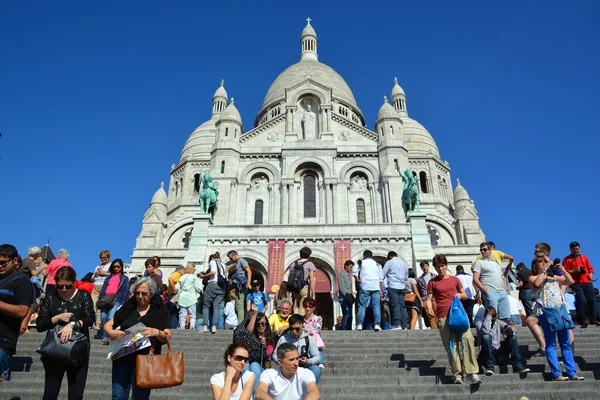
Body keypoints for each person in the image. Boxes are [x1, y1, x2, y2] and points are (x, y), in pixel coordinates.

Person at [104, 277, 171, 399]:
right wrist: (111, 332)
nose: (140, 296)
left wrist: (156, 332)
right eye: (137, 293)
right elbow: (108, 324)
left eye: (144, 293)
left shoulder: (160, 310)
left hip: (146, 360)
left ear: (151, 294)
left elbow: (167, 336)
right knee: (118, 396)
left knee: (141, 397)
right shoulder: (128, 307)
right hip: (122, 357)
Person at [36, 266, 95, 399]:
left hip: (77, 350)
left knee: (76, 394)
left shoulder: (83, 295)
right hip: (54, 350)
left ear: (74, 282)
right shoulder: (51, 298)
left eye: (68, 286)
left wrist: (72, 324)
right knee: (50, 394)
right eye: (60, 286)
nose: (63, 290)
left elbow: (90, 318)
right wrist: (56, 318)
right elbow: (40, 324)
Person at [530, 242, 583, 381]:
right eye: (539, 262)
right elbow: (536, 283)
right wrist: (544, 269)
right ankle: (556, 374)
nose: (543, 263)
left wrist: (563, 270)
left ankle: (572, 373)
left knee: (565, 343)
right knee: (551, 343)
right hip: (546, 312)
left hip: (561, 311)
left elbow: (570, 282)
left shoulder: (554, 276)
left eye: (543, 261)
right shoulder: (534, 277)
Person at [426, 253, 480, 385]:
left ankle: (472, 371)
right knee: (451, 345)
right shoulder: (432, 282)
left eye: (442, 266)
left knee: (467, 339)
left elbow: (465, 295)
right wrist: (429, 309)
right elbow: (428, 299)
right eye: (437, 266)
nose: (440, 269)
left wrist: (458, 295)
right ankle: (457, 374)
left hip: (458, 315)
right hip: (443, 316)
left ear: (446, 265)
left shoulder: (455, 279)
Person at [0, 244, 34, 382]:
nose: (0, 266)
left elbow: (22, 311)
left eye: (3, 262)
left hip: (3, 339)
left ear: (15, 261)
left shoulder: (21, 281)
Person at [474, 306, 530, 376]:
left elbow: (512, 330)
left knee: (513, 337)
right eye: (492, 316)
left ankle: (517, 365)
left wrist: (508, 329)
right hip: (485, 355)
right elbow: (485, 331)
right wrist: (489, 316)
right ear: (486, 315)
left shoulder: (498, 322)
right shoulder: (479, 322)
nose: (493, 318)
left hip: (498, 354)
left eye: (495, 316)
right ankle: (490, 366)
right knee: (486, 336)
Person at [272, 314, 322, 383]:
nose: (294, 331)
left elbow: (317, 357)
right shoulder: (283, 339)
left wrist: (308, 361)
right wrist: (284, 362)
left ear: (303, 326)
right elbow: (275, 355)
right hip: (288, 367)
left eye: (297, 329)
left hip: (305, 366)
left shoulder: (309, 339)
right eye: (291, 329)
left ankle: (309, 390)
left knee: (316, 369)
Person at [562, 241, 598, 327]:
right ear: (570, 249)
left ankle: (593, 319)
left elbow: (590, 269)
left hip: (587, 281)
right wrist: (575, 271)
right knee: (582, 299)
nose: (576, 251)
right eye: (574, 249)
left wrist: (591, 274)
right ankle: (584, 319)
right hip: (576, 282)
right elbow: (564, 272)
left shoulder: (584, 257)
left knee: (592, 299)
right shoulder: (567, 259)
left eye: (577, 249)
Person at [473, 242, 510, 321]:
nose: (482, 251)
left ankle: (503, 333)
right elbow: (475, 279)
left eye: (485, 249)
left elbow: (501, 278)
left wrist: (505, 291)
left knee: (504, 317)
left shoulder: (496, 263)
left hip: (502, 292)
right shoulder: (479, 262)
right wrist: (486, 291)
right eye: (481, 250)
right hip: (490, 292)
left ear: (490, 250)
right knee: (492, 317)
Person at [98, 259, 130, 344]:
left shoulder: (124, 278)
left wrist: (123, 302)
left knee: (110, 317)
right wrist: (100, 298)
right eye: (114, 266)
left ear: (121, 267)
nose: (116, 268)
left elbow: (125, 291)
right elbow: (104, 287)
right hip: (105, 299)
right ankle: (105, 335)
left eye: (118, 267)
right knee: (103, 317)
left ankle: (107, 336)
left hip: (116, 299)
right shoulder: (109, 276)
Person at [356, 250, 383, 332]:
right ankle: (377, 325)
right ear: (372, 256)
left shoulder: (361, 262)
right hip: (375, 287)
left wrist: (359, 281)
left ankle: (360, 324)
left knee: (362, 306)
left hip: (365, 286)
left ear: (364, 256)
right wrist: (380, 289)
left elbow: (354, 273)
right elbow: (381, 278)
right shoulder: (377, 264)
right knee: (376, 306)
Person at [382, 251, 409, 330]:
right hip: (402, 287)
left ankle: (397, 324)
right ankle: (404, 325)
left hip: (393, 286)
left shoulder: (389, 262)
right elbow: (406, 277)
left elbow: (382, 274)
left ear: (390, 256)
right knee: (402, 306)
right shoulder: (404, 264)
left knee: (395, 305)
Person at [201, 254, 227, 333]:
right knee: (216, 307)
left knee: (206, 305)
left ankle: (205, 325)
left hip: (213, 284)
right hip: (222, 287)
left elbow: (213, 272)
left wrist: (204, 276)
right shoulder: (224, 265)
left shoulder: (213, 262)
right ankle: (214, 326)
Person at [289, 247, 316, 315]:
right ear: (309, 255)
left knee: (295, 307)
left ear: (300, 254)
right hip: (304, 288)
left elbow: (290, 277)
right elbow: (312, 280)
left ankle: (295, 320)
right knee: (303, 310)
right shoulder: (309, 264)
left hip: (295, 289)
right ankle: (300, 324)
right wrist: (313, 294)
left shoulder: (293, 264)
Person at [227, 250, 252, 322]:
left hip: (242, 285)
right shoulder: (238, 262)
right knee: (238, 305)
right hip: (239, 285)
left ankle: (240, 324)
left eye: (231, 258)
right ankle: (240, 322)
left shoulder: (242, 261)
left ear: (234, 255)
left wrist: (248, 283)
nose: (230, 260)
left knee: (239, 305)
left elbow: (249, 271)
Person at [175, 263, 202, 329]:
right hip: (191, 299)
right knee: (192, 315)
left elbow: (176, 288)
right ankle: (192, 328)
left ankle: (182, 329)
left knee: (182, 316)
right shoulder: (194, 277)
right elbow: (198, 288)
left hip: (182, 299)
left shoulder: (182, 277)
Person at [92, 250, 111, 330]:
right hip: (95, 287)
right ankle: (94, 322)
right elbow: (92, 278)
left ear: (108, 257)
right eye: (102, 258)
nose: (103, 259)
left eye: (105, 257)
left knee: (100, 305)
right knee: (93, 305)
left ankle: (98, 324)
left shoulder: (110, 266)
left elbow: (112, 276)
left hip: (103, 286)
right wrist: (95, 274)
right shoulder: (97, 266)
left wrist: (105, 273)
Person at [303, 298, 325, 368]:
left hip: (314, 337)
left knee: (317, 340)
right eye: (306, 306)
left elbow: (318, 329)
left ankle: (321, 361)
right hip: (303, 338)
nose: (308, 308)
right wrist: (306, 331)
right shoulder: (300, 319)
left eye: (310, 307)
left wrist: (309, 330)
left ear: (314, 308)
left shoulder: (318, 318)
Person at [416, 260, 437, 329]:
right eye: (423, 267)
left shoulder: (435, 276)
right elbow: (419, 291)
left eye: (426, 266)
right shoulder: (419, 279)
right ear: (421, 268)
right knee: (430, 316)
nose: (424, 268)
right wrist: (421, 301)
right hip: (425, 299)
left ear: (428, 266)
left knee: (437, 315)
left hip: (435, 298)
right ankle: (435, 331)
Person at [336, 260, 354, 330]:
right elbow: (342, 286)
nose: (351, 269)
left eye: (352, 267)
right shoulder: (341, 274)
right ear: (346, 266)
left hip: (349, 297)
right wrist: (347, 296)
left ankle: (349, 328)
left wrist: (351, 297)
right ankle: (344, 329)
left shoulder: (348, 275)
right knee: (346, 314)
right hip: (344, 298)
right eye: (350, 267)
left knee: (350, 315)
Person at [167, 265, 185, 329]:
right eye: (184, 270)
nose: (184, 272)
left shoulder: (177, 275)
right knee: (174, 314)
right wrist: (174, 289)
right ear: (180, 270)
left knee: (172, 314)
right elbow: (170, 279)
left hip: (171, 296)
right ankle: (173, 329)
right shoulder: (176, 274)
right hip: (173, 296)